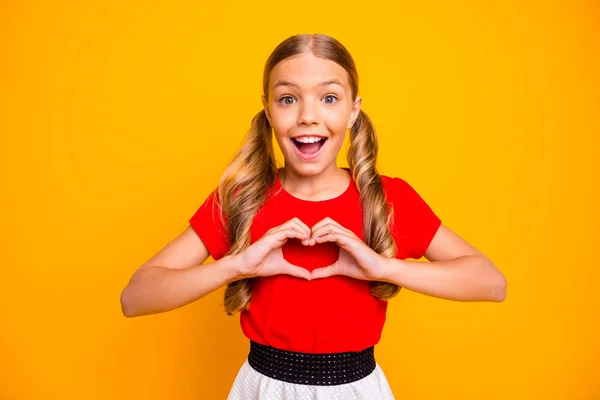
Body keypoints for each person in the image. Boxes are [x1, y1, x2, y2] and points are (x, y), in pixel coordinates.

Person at [120, 33, 507, 399]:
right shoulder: (242, 199)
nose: (308, 116)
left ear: (354, 109)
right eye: (288, 99)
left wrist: (382, 267)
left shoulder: (386, 199)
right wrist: (237, 266)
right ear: (268, 110)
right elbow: (135, 297)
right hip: (263, 389)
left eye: (329, 98)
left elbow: (491, 283)